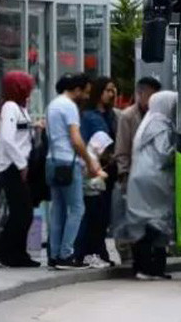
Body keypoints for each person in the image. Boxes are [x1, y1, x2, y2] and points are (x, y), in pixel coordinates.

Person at [46, 73, 105, 269]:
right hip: (68, 163)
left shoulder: (53, 105)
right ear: (77, 90)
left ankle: (54, 254)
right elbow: (76, 139)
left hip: (52, 161)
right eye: (86, 92)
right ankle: (66, 254)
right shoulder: (70, 107)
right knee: (77, 209)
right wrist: (89, 161)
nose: (87, 97)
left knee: (58, 209)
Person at [120, 91, 179, 280]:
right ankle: (148, 268)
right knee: (157, 222)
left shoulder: (148, 121)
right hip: (156, 178)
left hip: (140, 177)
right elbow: (164, 153)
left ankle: (150, 268)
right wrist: (180, 149)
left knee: (144, 222)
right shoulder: (161, 124)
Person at [0, 71, 38, 267]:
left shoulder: (20, 108)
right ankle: (3, 249)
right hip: (12, 167)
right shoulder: (10, 107)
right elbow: (7, 139)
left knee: (22, 212)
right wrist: (22, 165)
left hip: (18, 165)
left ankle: (16, 252)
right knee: (22, 213)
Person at [113, 77, 161, 266]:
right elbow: (122, 150)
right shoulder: (127, 117)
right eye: (150, 94)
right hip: (135, 177)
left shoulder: (158, 116)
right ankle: (134, 259)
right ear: (139, 94)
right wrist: (124, 175)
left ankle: (153, 262)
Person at [74, 76, 119, 266]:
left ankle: (97, 251)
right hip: (93, 170)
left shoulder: (111, 115)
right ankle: (87, 251)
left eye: (113, 90)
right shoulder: (90, 116)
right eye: (107, 90)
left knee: (102, 214)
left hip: (108, 171)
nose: (111, 94)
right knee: (94, 213)